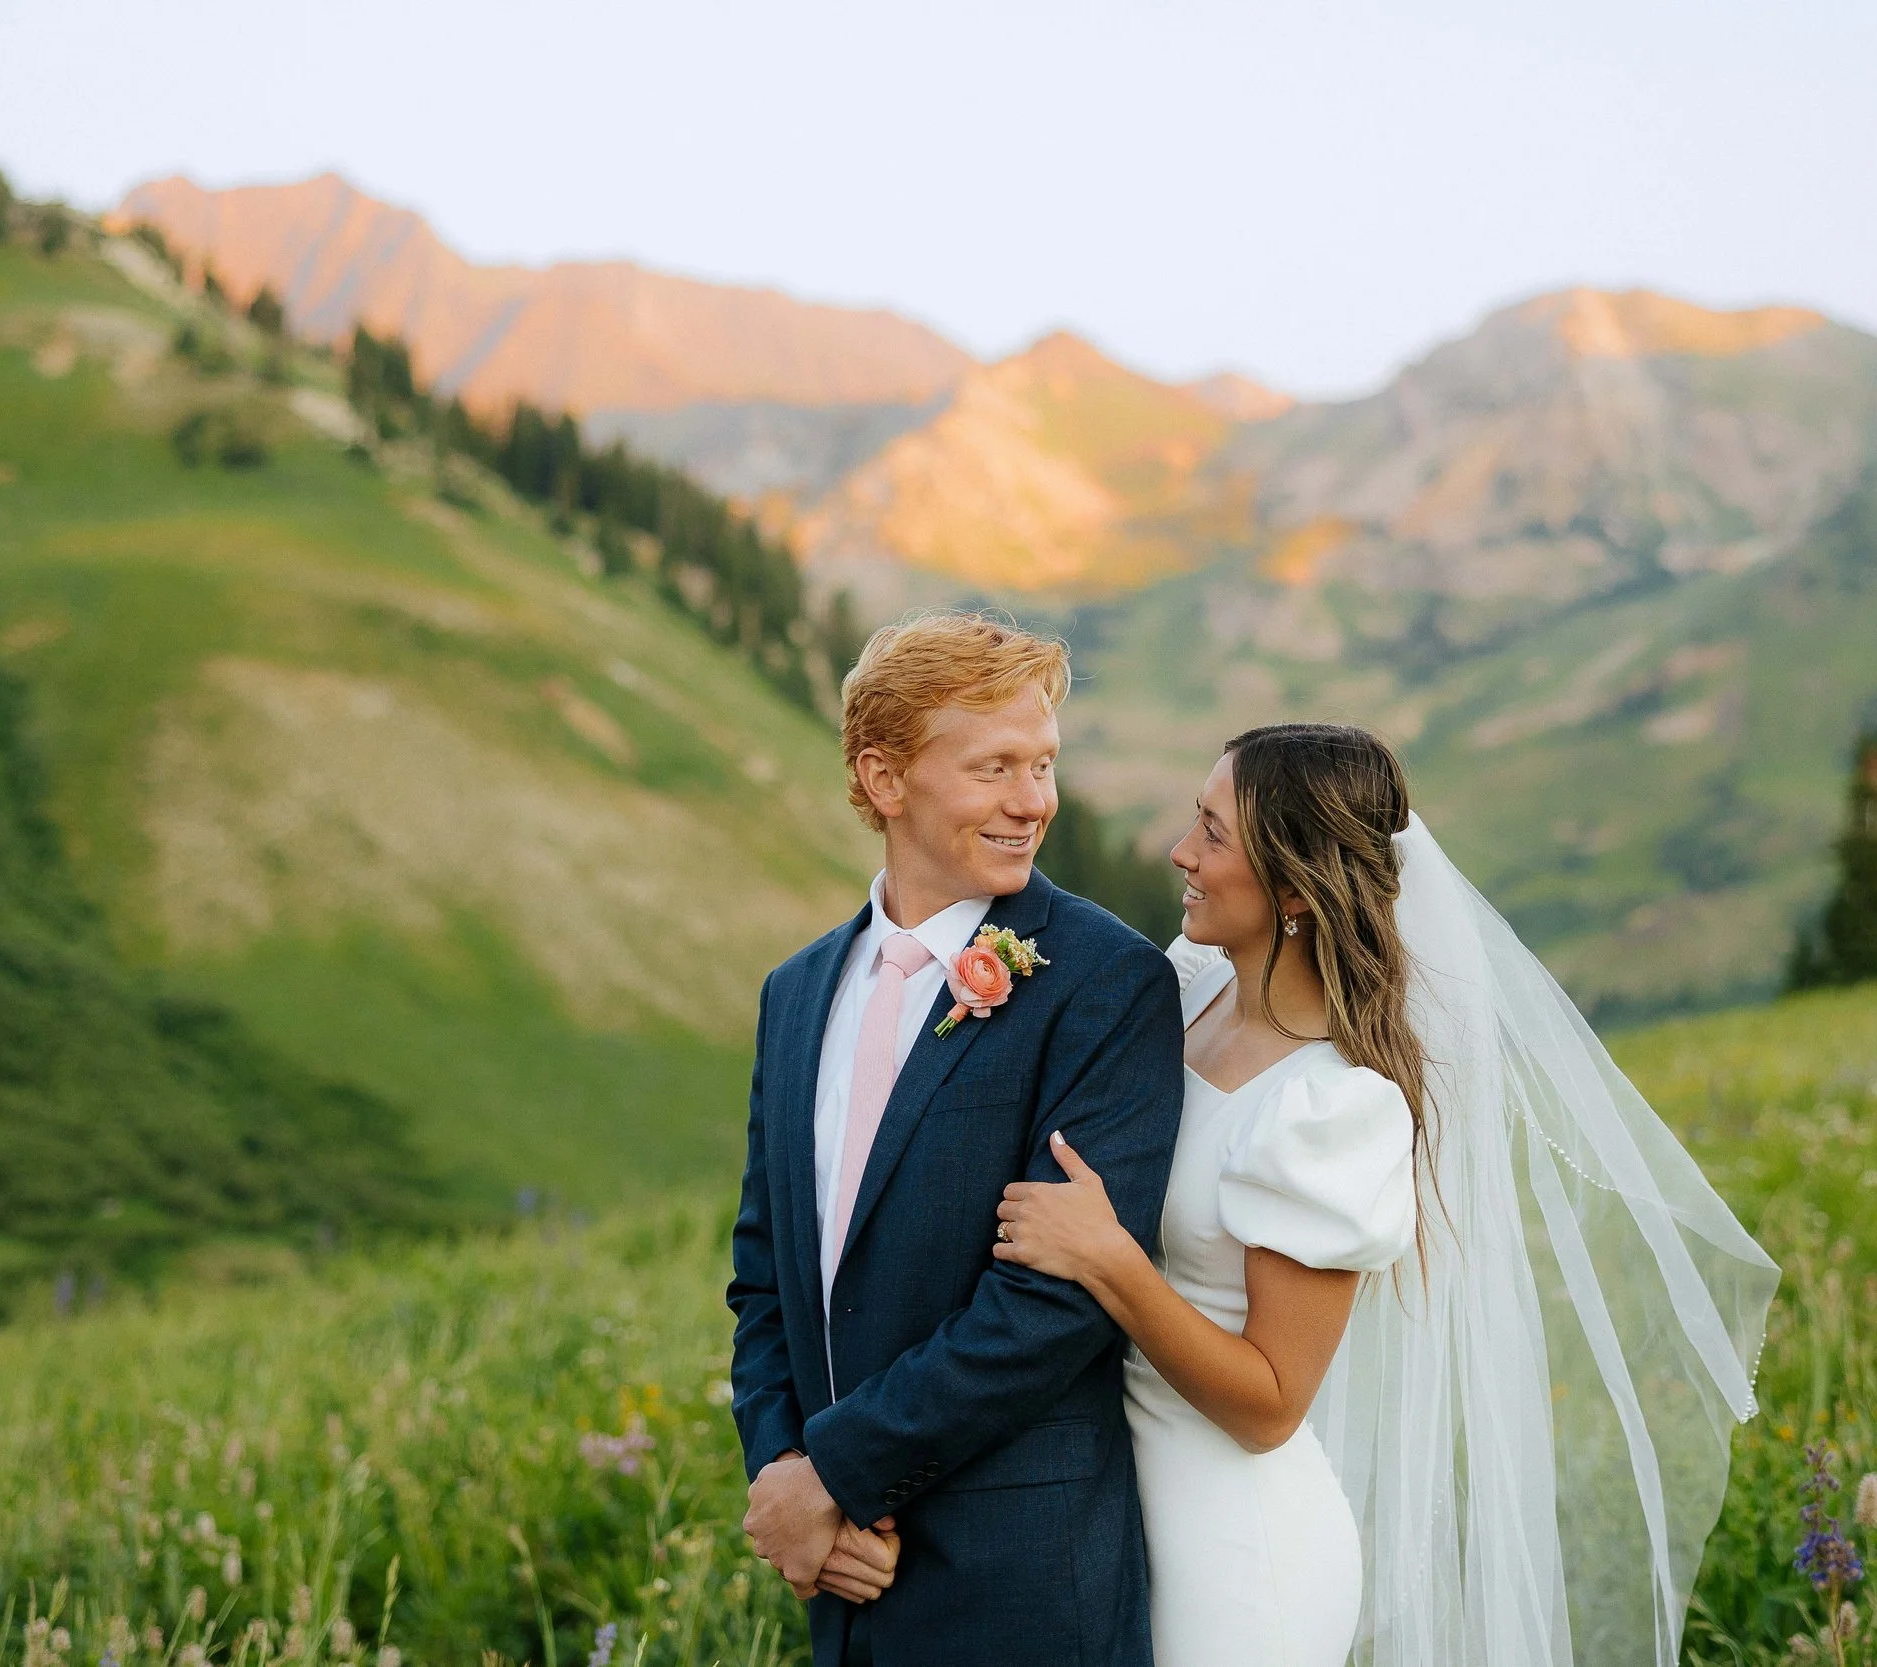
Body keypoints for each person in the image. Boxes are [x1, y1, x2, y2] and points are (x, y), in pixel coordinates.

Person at [997, 723, 1782, 1667]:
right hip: (1118, 1505)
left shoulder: (1332, 1107)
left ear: (1294, 888)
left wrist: (1109, 1261)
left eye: (1213, 832)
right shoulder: (1192, 987)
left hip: (1235, 1556)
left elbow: (1272, 1402)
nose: (1180, 851)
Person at [726, 611, 1184, 1667]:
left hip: (1020, 1581)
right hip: (846, 1583)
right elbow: (763, 1276)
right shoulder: (795, 992)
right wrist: (784, 1471)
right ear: (885, 779)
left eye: (1043, 763)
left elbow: (1055, 1304)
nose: (1035, 800)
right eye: (994, 768)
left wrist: (834, 1475)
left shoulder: (1106, 981)